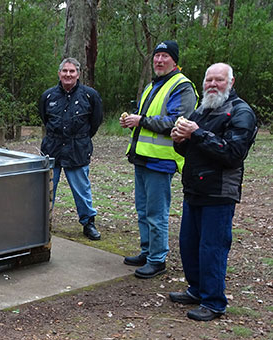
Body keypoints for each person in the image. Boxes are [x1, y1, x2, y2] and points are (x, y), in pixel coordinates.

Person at [169, 63, 257, 321]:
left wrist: (196, 134)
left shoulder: (240, 112)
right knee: (189, 244)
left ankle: (214, 302)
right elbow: (191, 151)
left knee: (212, 248)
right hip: (194, 188)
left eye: (219, 80)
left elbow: (233, 154)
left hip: (219, 192)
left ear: (231, 82)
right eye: (209, 80)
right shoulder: (202, 110)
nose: (212, 84)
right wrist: (180, 141)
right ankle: (197, 290)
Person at [119, 40, 198, 278]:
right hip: (142, 158)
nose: (159, 60)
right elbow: (146, 118)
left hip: (161, 161)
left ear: (175, 60)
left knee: (156, 213)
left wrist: (140, 120)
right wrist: (132, 121)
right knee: (143, 211)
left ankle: (157, 259)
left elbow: (178, 122)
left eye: (165, 56)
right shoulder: (153, 84)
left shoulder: (181, 87)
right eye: (157, 56)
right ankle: (147, 251)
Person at [39, 57, 103, 240]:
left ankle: (88, 223)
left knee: (82, 190)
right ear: (59, 73)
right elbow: (45, 118)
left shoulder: (90, 96)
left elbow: (95, 122)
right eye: (65, 71)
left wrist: (80, 139)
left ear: (78, 74)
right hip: (53, 149)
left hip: (78, 149)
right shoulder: (48, 96)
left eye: (72, 71)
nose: (68, 74)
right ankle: (42, 223)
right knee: (47, 188)